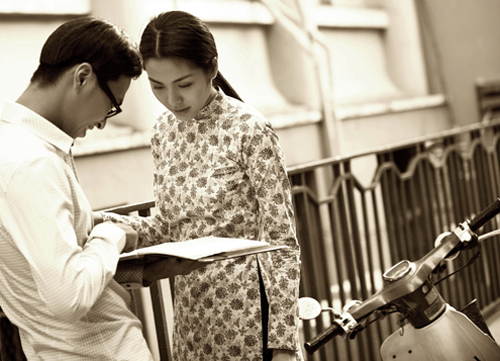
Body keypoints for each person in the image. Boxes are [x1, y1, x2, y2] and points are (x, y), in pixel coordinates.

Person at [100, 10, 303, 361]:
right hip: (194, 314)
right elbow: (166, 227)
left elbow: (282, 243)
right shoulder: (163, 132)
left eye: (184, 84)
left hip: (251, 315)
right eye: (157, 86)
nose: (172, 100)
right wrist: (100, 222)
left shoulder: (249, 129)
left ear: (211, 68)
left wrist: (283, 342)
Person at [0, 16, 199, 360]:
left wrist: (142, 271)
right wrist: (112, 235)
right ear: (82, 77)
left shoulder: (21, 146)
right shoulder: (31, 162)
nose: (103, 123)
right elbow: (69, 297)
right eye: (111, 105)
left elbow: (43, 273)